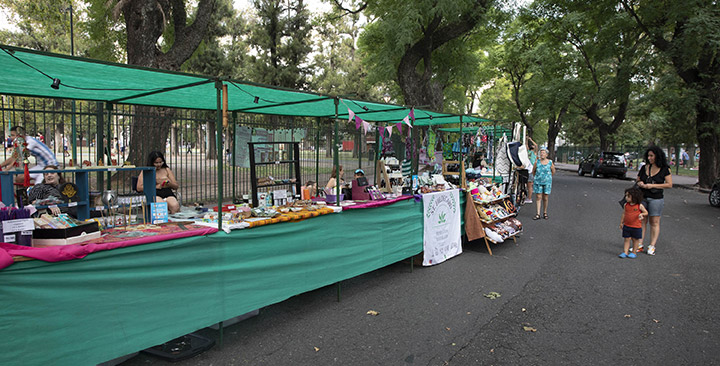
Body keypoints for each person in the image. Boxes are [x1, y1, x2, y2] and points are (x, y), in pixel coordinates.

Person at [636, 146, 673, 256]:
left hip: (656, 198)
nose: (650, 158)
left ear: (657, 156)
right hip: (643, 197)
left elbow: (669, 184)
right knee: (642, 220)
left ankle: (652, 245)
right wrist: (641, 184)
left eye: (652, 156)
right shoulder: (644, 168)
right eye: (648, 156)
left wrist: (652, 185)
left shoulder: (665, 169)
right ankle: (639, 244)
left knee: (654, 222)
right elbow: (638, 180)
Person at [618, 186, 648, 258]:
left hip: (636, 226)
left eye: (628, 196)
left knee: (635, 239)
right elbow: (624, 214)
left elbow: (646, 212)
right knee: (626, 239)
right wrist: (621, 222)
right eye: (626, 196)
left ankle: (634, 252)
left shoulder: (639, 206)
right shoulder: (626, 205)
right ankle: (625, 252)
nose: (626, 198)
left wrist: (642, 214)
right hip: (627, 225)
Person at [532, 147, 555, 220]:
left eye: (543, 153)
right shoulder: (537, 162)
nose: (542, 154)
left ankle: (545, 212)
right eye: (541, 153)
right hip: (538, 182)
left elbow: (553, 171)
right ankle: (538, 213)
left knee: (545, 197)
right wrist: (537, 177)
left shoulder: (550, 162)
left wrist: (548, 177)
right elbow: (533, 171)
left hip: (547, 182)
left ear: (546, 154)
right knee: (538, 197)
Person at [525, 137, 538, 204]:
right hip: (527, 170)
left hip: (530, 170)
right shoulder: (528, 152)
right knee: (528, 185)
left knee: (529, 185)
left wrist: (531, 140)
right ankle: (528, 197)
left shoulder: (534, 153)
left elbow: (536, 145)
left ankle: (529, 198)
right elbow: (526, 145)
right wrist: (527, 140)